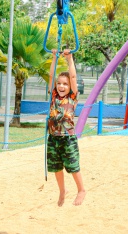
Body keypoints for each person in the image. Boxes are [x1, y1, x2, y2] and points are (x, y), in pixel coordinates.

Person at [47, 48, 86, 206]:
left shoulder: (72, 97)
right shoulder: (53, 96)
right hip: (53, 138)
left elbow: (73, 76)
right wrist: (54, 58)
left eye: (65, 84)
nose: (61, 86)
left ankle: (81, 189)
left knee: (72, 166)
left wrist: (70, 59)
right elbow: (50, 76)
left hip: (68, 138)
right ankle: (63, 190)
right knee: (56, 167)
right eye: (59, 83)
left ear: (71, 87)